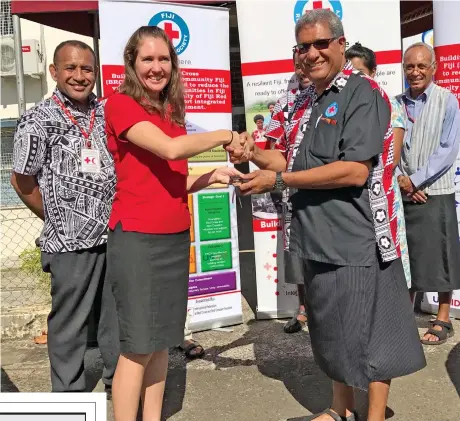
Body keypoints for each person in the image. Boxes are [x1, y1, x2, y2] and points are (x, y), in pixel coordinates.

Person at [229, 10, 426, 421]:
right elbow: (285, 155)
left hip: (359, 237)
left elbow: (355, 170)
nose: (313, 54)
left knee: (374, 337)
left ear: (340, 43)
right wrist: (252, 154)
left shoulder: (364, 92)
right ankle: (340, 409)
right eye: (304, 47)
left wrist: (279, 179)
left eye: (321, 44)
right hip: (314, 236)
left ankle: (373, 415)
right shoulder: (303, 100)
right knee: (330, 329)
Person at [103, 26, 244, 421]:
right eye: (147, 59)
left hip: (171, 236)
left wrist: (209, 177)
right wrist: (227, 135)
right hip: (137, 239)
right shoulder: (120, 104)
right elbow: (169, 149)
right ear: (131, 63)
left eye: (164, 59)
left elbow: (168, 179)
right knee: (138, 346)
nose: (156, 67)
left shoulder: (168, 113)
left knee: (163, 341)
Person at [11, 40, 119, 395]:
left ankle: (119, 383)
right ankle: (69, 397)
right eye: (70, 68)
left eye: (86, 68)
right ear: (54, 72)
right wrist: (58, 217)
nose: (79, 75)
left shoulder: (103, 112)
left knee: (112, 319)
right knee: (70, 325)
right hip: (69, 242)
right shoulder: (38, 119)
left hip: (112, 235)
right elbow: (21, 179)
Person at [396, 42, 460, 345]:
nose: (416, 72)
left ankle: (443, 317)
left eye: (422, 66)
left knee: (442, 254)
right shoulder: (394, 104)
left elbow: (448, 150)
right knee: (406, 256)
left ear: (433, 68)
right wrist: (401, 180)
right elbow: (386, 148)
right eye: (410, 66)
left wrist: (416, 181)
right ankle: (404, 318)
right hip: (403, 193)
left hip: (436, 190)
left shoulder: (448, 101)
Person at [345, 42, 411, 289]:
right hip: (351, 196)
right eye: (349, 72)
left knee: (386, 260)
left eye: (360, 72)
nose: (354, 78)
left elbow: (390, 159)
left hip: (381, 194)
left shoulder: (389, 104)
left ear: (373, 72)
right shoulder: (343, 104)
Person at [264, 53, 315, 333]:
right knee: (295, 251)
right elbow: (273, 148)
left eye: (307, 62)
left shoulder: (329, 98)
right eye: (298, 64)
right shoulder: (285, 104)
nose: (303, 68)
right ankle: (303, 310)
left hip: (322, 191)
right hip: (291, 193)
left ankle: (324, 311)